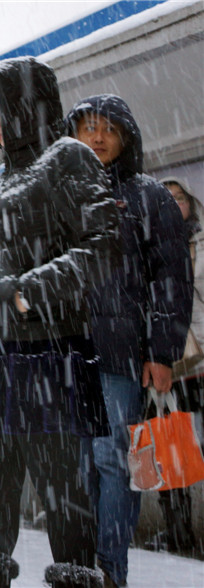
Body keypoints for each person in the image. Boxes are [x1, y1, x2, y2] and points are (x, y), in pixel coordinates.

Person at [0, 57, 121, 588]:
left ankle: (75, 577)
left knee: (62, 489)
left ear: (30, 101)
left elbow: (105, 246)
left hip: (48, 356)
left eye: (2, 107)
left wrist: (27, 294)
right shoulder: (0, 176)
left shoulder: (67, 157)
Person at [65, 95, 192, 587]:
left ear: (126, 138)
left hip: (123, 354)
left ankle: (108, 567)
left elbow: (172, 278)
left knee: (113, 460)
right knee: (79, 463)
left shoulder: (149, 196)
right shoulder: (63, 191)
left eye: (109, 129)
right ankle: (80, 561)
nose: (97, 137)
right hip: (72, 352)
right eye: (88, 128)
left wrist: (163, 351)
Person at [144, 175, 204, 557]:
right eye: (164, 198)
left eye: (178, 198)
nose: (172, 204)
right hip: (164, 364)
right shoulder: (148, 248)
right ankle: (177, 533)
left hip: (199, 362)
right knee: (170, 452)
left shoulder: (200, 245)